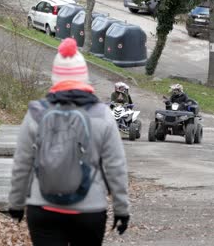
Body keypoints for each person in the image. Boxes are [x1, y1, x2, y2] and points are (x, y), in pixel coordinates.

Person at [8, 38, 130, 245]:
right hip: (89, 210)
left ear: (55, 76)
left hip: (43, 208)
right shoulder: (102, 115)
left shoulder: (36, 113)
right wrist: (121, 208)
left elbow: (22, 163)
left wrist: (16, 203)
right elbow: (115, 167)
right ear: (84, 76)